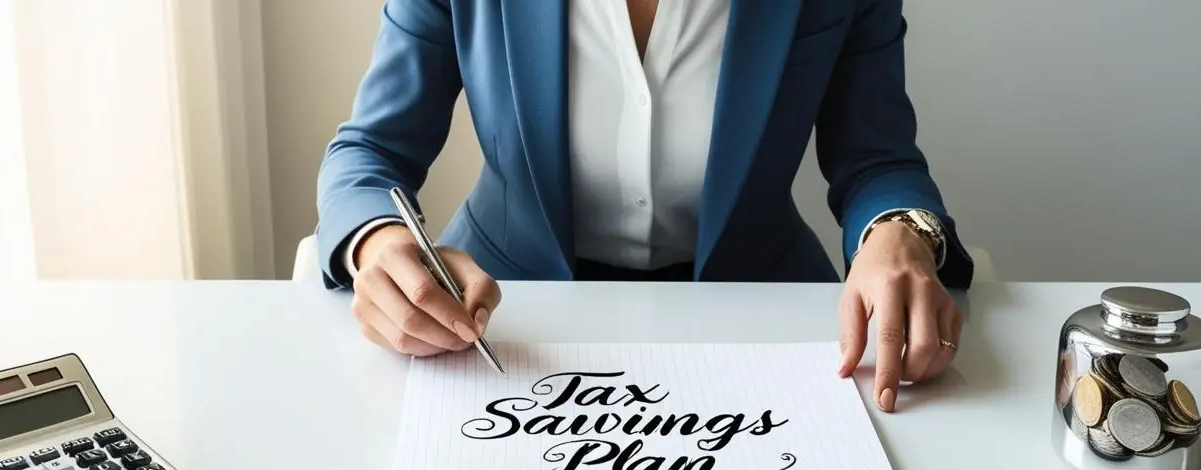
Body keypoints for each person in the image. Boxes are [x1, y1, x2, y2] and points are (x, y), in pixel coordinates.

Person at [316, 0, 972, 412]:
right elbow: (371, 150)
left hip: (762, 320)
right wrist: (377, 241)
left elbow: (877, 160)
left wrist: (900, 232)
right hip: (502, 323)